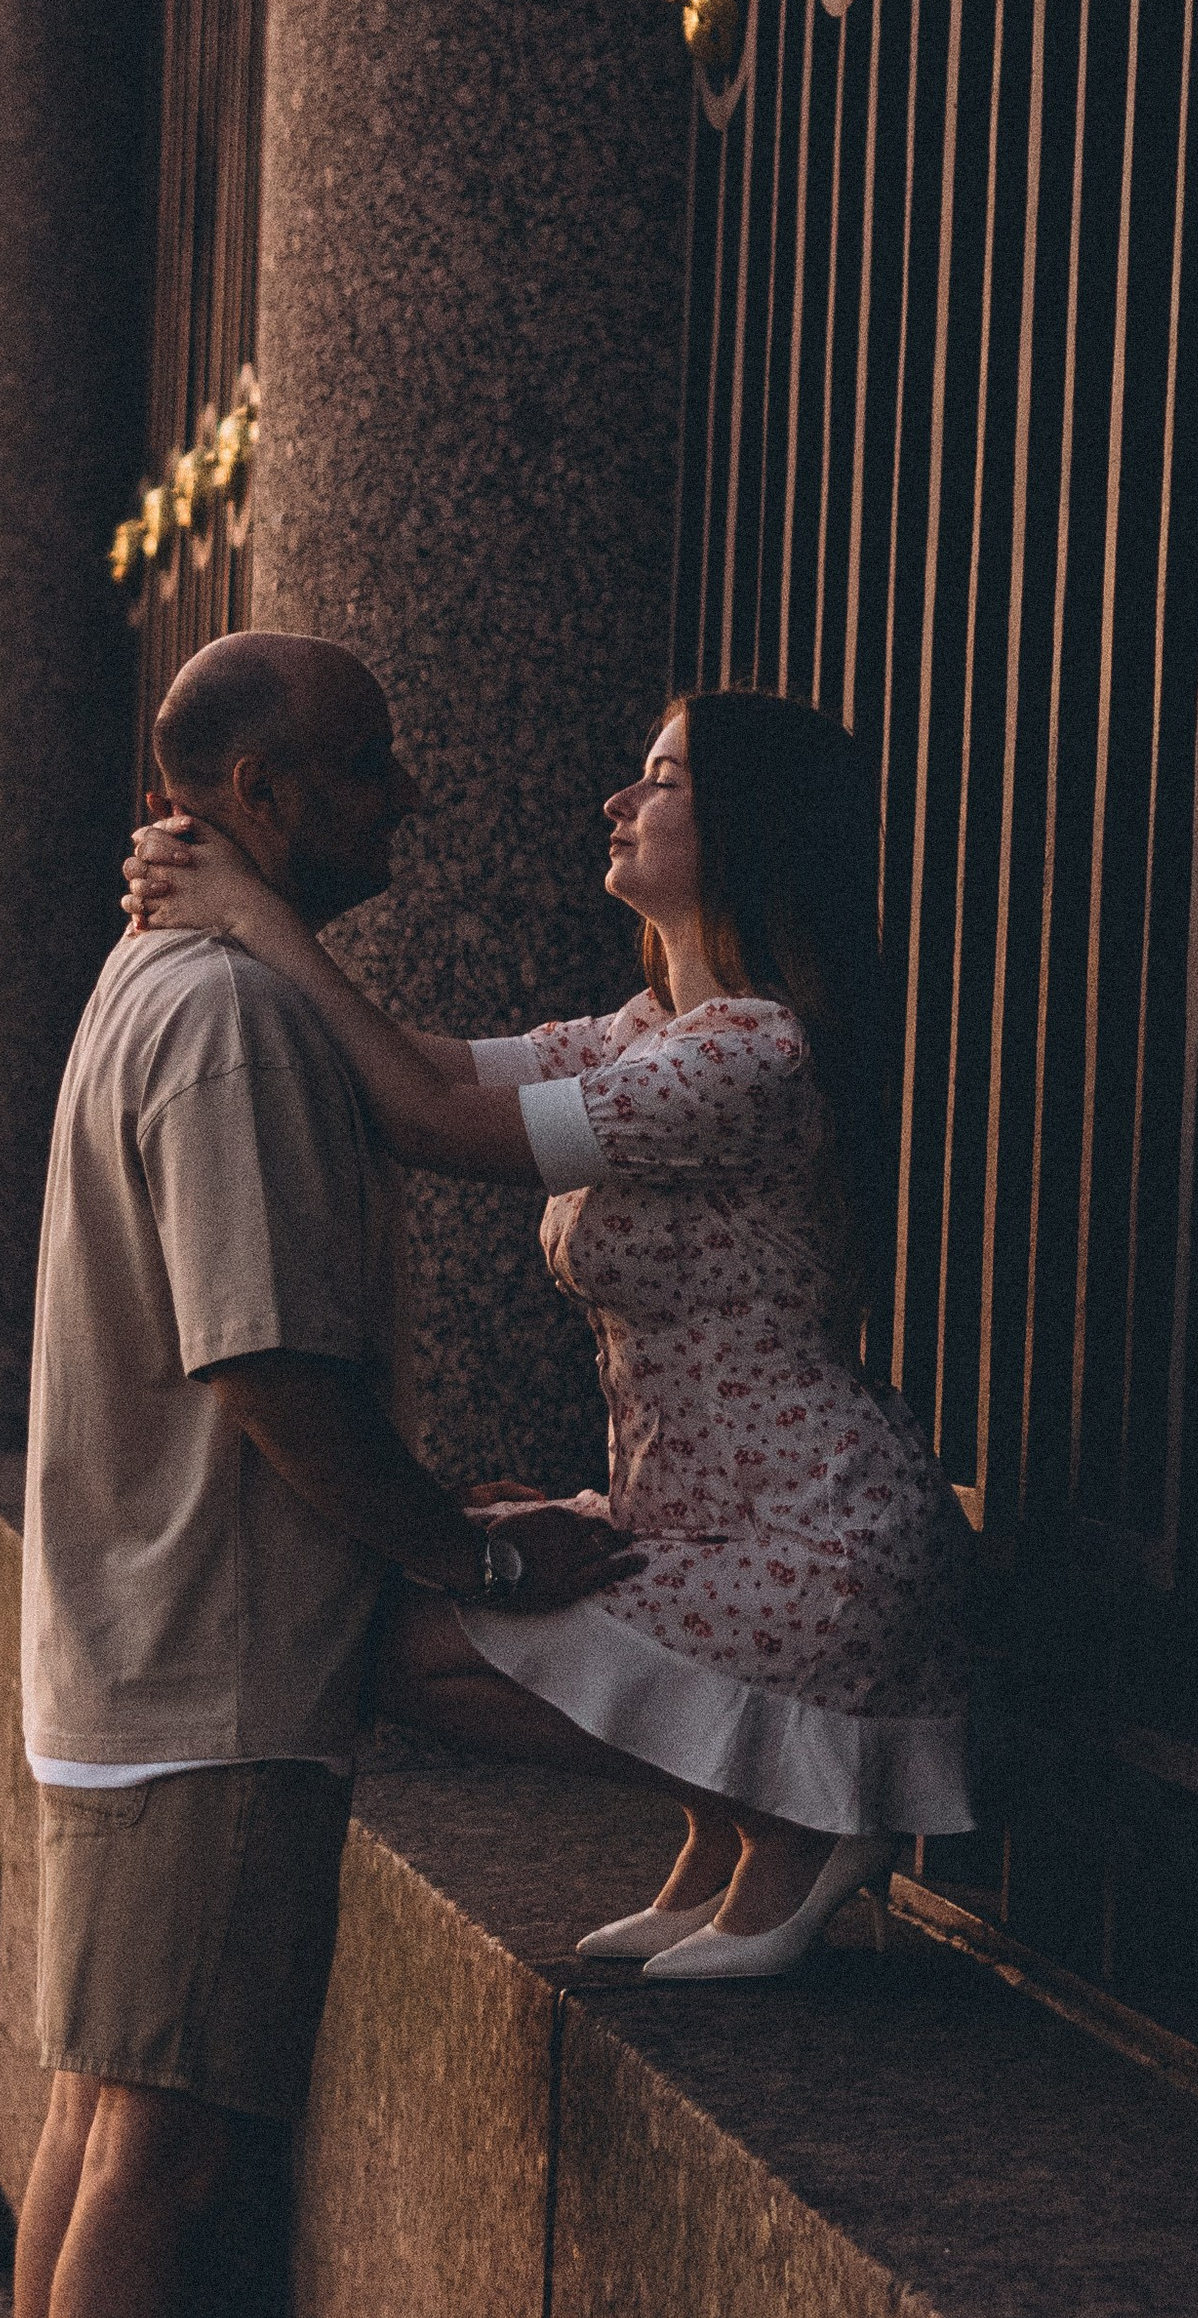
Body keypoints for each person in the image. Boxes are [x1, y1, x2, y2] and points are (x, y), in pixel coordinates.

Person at [0, 631, 633, 2318]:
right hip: (214, 1664)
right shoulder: (243, 1013)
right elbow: (267, 1365)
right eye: (360, 772)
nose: (405, 803)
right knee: (148, 2169)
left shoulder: (148, 978)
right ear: (255, 791)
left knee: (89, 2145)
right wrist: (463, 1543)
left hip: (122, 1650)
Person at [126, 685, 975, 1982]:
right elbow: (424, 1062)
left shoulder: (755, 1059)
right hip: (700, 1515)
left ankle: (798, 1816)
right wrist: (235, 902)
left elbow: (426, 1121)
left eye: (665, 778)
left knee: (414, 1651)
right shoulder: (647, 1035)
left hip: (817, 1541)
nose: (619, 800)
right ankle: (729, 1820)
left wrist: (252, 917)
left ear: (749, 827)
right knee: (420, 1601)